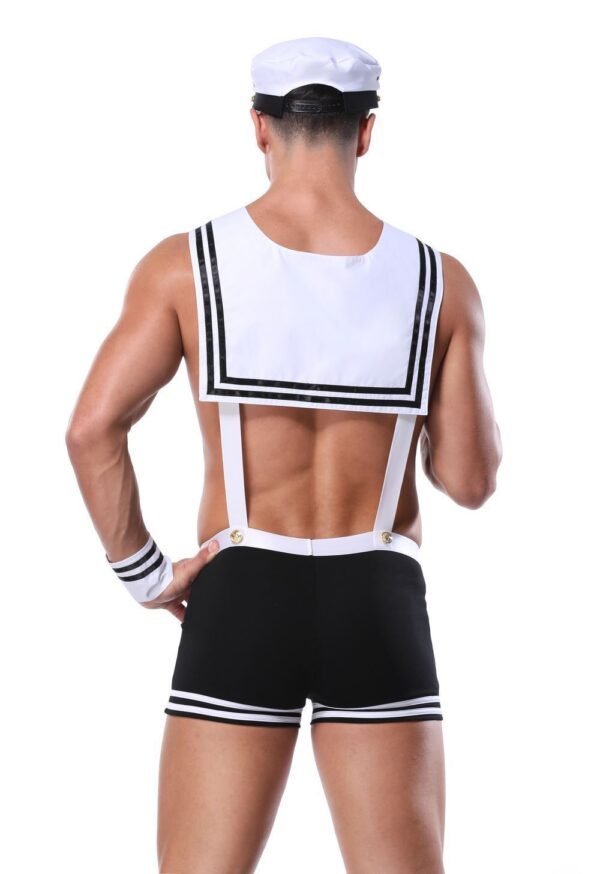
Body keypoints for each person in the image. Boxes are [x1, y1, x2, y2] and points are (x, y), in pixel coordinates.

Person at [65, 36, 502, 874]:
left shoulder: (186, 266)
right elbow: (470, 481)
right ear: (366, 132)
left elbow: (91, 429)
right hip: (375, 593)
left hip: (242, 589)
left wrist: (148, 577)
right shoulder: (440, 281)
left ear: (259, 127)